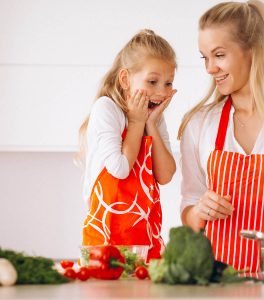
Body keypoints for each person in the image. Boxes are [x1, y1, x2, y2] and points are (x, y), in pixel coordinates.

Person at [178, 0, 264, 273]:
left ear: (253, 51)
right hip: (219, 282)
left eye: (219, 55)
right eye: (205, 57)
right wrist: (199, 211)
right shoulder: (199, 125)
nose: (210, 68)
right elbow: (188, 210)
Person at [78, 29, 177, 260]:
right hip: (105, 242)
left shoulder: (154, 119)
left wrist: (150, 123)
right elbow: (120, 168)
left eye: (168, 83)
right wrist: (136, 122)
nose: (161, 92)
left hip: (146, 241)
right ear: (125, 79)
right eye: (152, 81)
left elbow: (166, 175)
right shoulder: (106, 109)